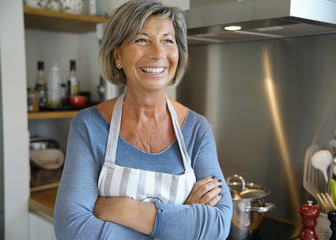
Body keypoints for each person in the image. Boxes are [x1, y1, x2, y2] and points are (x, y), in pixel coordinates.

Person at [53, 0, 232, 239]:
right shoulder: (89, 126)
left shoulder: (197, 129)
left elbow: (218, 226)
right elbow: (71, 228)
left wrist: (122, 209)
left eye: (168, 41)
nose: (158, 53)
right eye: (142, 40)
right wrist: (181, 217)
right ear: (117, 55)